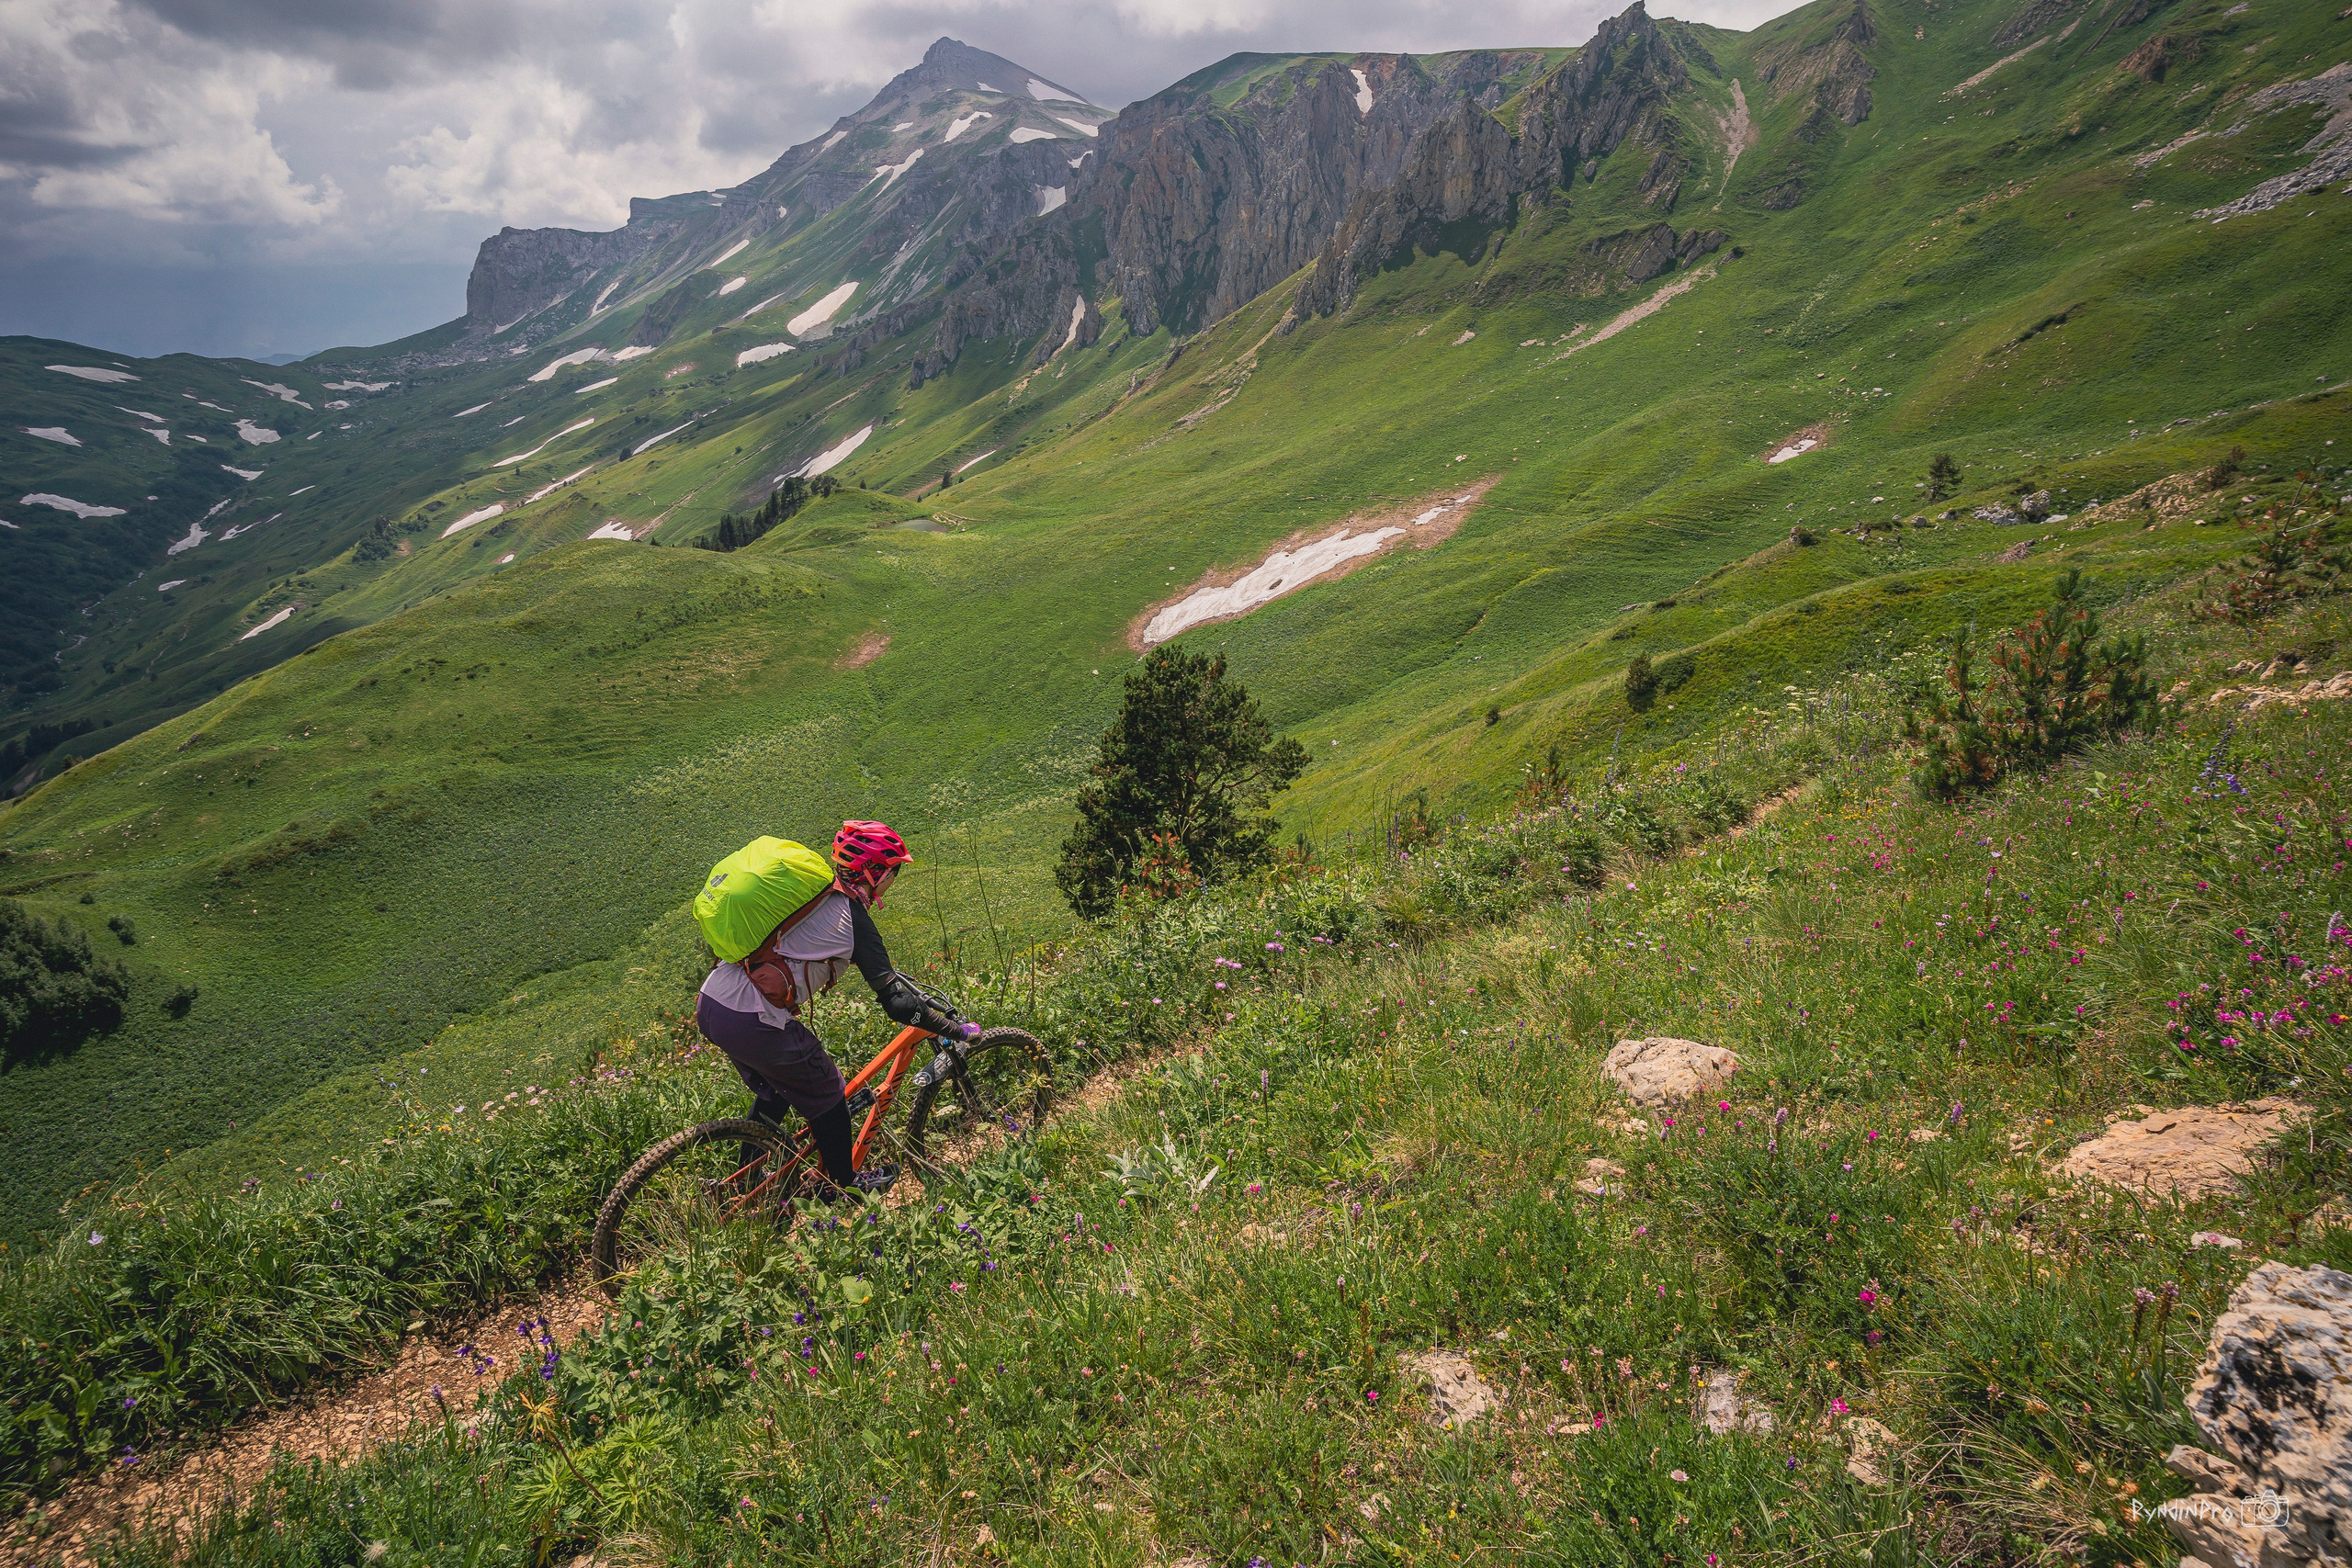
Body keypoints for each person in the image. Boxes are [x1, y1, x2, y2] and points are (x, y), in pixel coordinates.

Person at [694, 820, 976, 1194]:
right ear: (875, 873)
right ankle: (843, 1184)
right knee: (829, 1093)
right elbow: (896, 1003)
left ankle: (743, 1182)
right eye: (893, 872)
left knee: (776, 1091)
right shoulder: (853, 918)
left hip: (714, 1001)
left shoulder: (813, 898)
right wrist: (958, 1031)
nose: (894, 880)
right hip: (751, 1017)